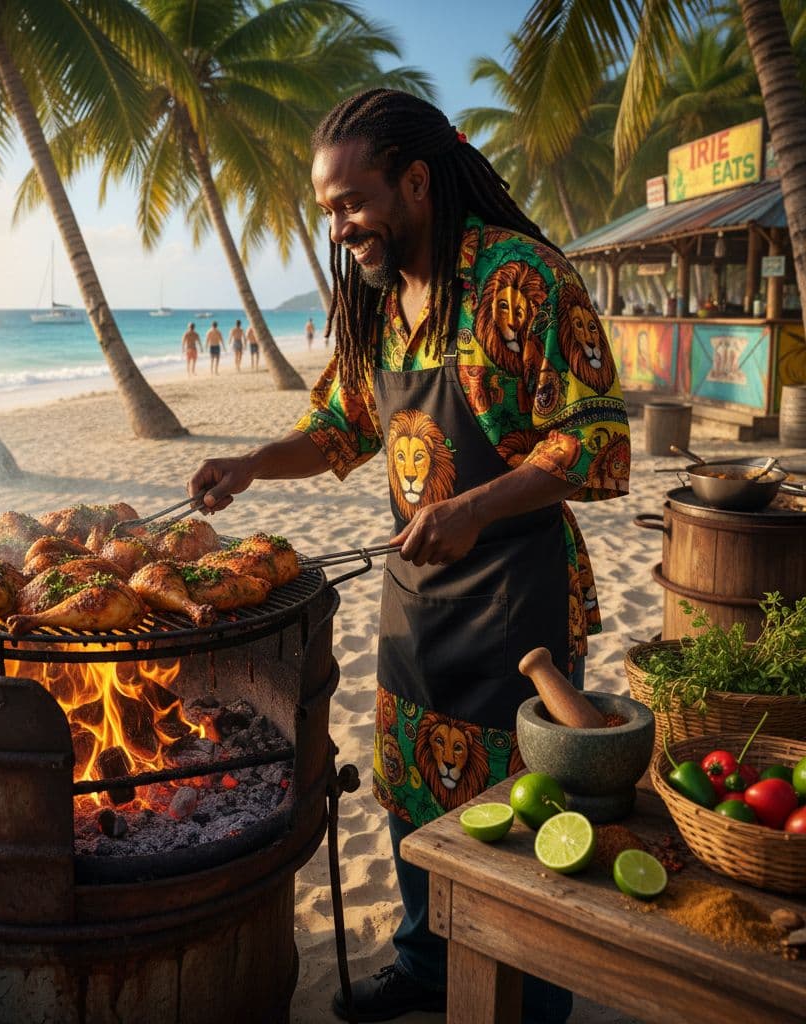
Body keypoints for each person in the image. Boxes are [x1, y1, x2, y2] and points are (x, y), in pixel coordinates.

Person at [188, 89, 630, 1024]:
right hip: (417, 597)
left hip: (519, 598)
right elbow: (339, 426)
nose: (339, 229)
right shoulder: (381, 301)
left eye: (351, 203)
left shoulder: (521, 279)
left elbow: (595, 441)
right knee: (413, 787)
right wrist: (253, 463)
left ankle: (531, 998)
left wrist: (473, 506)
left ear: (417, 183)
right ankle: (427, 966)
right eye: (328, 211)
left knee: (524, 810)